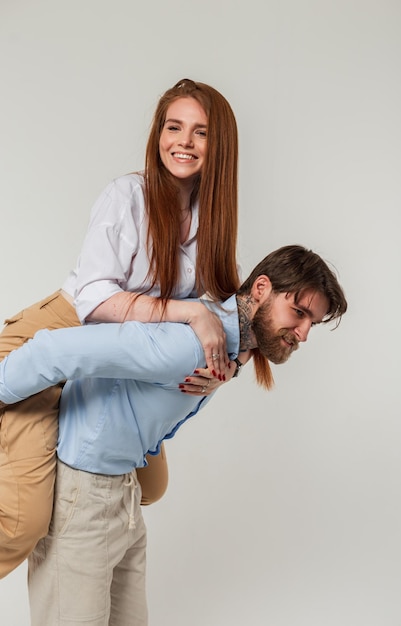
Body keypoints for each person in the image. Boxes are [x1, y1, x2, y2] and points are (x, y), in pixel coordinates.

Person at [0, 245, 347, 626]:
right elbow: (54, 351)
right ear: (261, 288)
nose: (303, 333)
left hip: (123, 496)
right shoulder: (187, 345)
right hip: (83, 501)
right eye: (299, 313)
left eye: (312, 322)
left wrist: (231, 369)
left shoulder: (224, 353)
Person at [0, 78, 240, 578]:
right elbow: (95, 301)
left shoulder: (211, 219)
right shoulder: (126, 195)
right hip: (58, 336)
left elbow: (228, 310)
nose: (184, 142)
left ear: (220, 147)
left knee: (150, 487)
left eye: (200, 133)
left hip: (112, 362)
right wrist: (189, 313)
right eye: (174, 127)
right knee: (22, 523)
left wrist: (229, 366)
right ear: (157, 134)